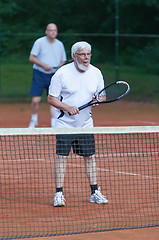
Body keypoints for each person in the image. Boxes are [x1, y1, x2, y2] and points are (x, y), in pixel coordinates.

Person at [48, 41, 108, 207]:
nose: (86, 57)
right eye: (82, 54)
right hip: (64, 124)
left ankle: (95, 192)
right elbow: (51, 98)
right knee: (61, 157)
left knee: (90, 157)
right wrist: (67, 107)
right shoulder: (62, 74)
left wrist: (98, 100)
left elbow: (101, 96)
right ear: (74, 56)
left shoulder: (96, 73)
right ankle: (59, 194)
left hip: (86, 124)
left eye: (88, 54)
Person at [28, 23, 67, 128]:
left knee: (54, 100)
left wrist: (59, 66)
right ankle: (34, 119)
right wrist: (44, 65)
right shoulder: (39, 42)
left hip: (53, 76)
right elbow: (32, 58)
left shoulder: (60, 44)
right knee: (36, 100)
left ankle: (54, 123)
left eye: (55, 30)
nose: (53, 32)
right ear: (46, 31)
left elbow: (63, 60)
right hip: (39, 74)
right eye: (50, 30)